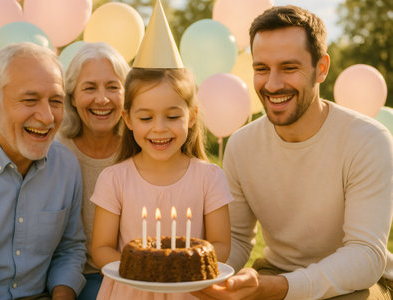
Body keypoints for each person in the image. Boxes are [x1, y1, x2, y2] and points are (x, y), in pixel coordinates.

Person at [192, 5, 393, 300]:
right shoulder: (241, 145)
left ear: (321, 68)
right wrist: (203, 277)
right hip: (277, 272)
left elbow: (365, 255)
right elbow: (236, 238)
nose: (272, 84)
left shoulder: (368, 140)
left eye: (289, 68)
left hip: (360, 284)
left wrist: (284, 288)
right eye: (261, 69)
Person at [0, 42, 87, 300]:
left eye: (55, 101)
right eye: (30, 100)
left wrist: (63, 294)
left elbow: (69, 249)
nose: (46, 117)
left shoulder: (66, 166)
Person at [91, 66, 232, 300]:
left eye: (173, 116)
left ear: (192, 115)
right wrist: (147, 268)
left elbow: (221, 246)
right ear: (127, 119)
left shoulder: (210, 178)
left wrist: (175, 269)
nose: (159, 127)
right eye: (146, 117)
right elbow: (101, 249)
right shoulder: (114, 179)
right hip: (130, 292)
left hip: (190, 292)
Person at [58, 42, 130, 300]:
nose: (102, 99)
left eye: (113, 87)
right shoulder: (55, 150)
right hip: (75, 278)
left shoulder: (141, 147)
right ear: (72, 96)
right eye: (89, 88)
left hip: (130, 274)